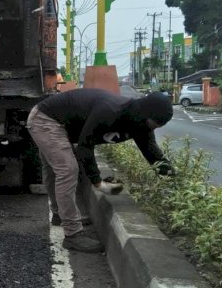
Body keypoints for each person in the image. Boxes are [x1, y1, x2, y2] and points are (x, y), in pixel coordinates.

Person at [27, 88, 174, 253]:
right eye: (153, 123)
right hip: (45, 120)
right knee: (67, 170)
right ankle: (73, 234)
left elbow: (152, 153)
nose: (153, 128)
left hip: (60, 124)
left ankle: (59, 215)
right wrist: (98, 182)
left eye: (158, 126)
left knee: (57, 170)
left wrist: (173, 181)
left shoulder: (140, 124)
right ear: (144, 113)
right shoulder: (111, 110)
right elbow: (84, 146)